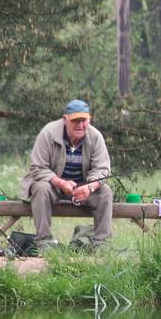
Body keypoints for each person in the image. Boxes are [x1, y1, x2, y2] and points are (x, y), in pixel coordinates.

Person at [21, 99, 113, 247]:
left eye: (84, 120)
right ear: (65, 120)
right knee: (40, 188)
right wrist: (61, 183)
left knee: (105, 192)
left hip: (83, 188)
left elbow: (103, 170)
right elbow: (38, 168)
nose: (80, 125)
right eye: (76, 121)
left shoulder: (96, 137)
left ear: (89, 120)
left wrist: (89, 188)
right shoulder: (48, 133)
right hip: (53, 186)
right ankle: (44, 242)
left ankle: (101, 244)